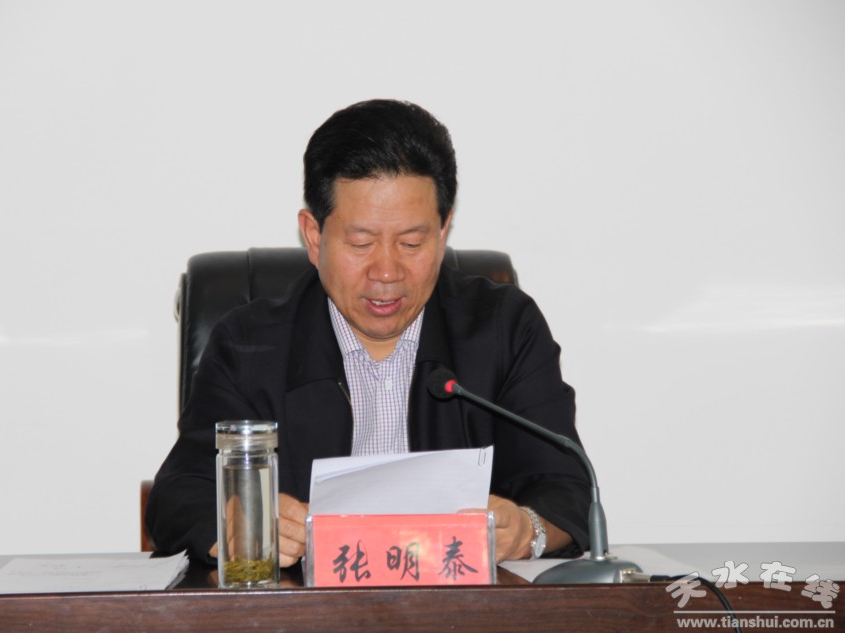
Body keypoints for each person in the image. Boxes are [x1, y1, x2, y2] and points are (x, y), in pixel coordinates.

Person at [146, 99, 590, 567]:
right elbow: (179, 495)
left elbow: (567, 487)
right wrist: (242, 522)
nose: (387, 272)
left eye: (412, 243)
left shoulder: (503, 329)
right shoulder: (250, 346)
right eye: (361, 243)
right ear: (313, 237)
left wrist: (529, 530)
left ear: (443, 232)